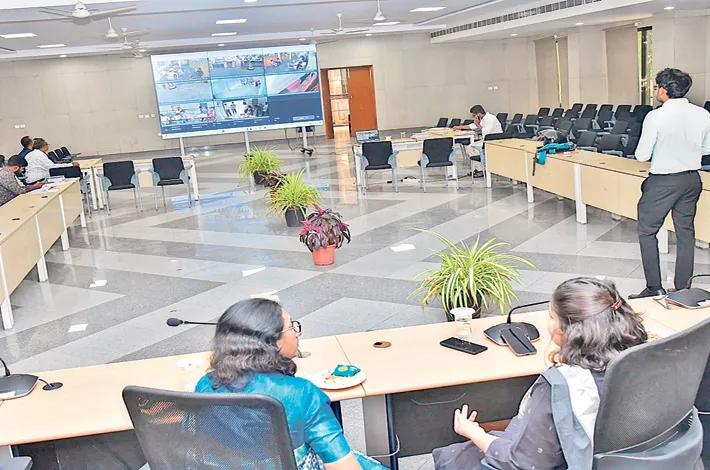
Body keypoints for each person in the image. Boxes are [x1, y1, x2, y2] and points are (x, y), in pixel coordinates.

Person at [433, 277, 647, 470]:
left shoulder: (559, 386)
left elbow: (522, 463)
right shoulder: (642, 358)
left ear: (567, 330)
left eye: (551, 316)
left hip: (565, 461)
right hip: (624, 456)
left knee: (452, 458)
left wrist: (473, 432)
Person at [195, 299, 385, 470]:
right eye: (291, 327)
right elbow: (342, 465)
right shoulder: (301, 393)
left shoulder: (206, 384)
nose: (297, 333)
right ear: (273, 342)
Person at [630, 68, 710, 299]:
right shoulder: (702, 114)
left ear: (663, 90)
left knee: (647, 231)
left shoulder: (656, 116)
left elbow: (642, 155)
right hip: (691, 179)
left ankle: (654, 287)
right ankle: (683, 287)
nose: (656, 91)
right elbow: (707, 148)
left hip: (663, 181)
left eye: (657, 87)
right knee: (685, 232)